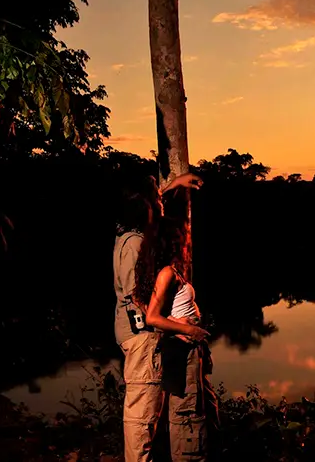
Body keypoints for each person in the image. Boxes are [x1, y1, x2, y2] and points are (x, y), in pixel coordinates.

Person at [113, 173, 205, 462]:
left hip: (144, 335)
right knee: (142, 417)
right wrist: (177, 325)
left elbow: (146, 204)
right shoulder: (135, 243)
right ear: (145, 205)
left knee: (153, 412)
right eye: (156, 197)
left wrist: (172, 186)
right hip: (141, 337)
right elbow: (136, 300)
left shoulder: (131, 234)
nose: (160, 202)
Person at [135, 211, 219, 461]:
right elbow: (151, 317)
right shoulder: (167, 273)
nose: (185, 242)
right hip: (182, 351)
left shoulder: (168, 271)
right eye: (181, 237)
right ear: (171, 241)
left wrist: (178, 322)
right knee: (188, 416)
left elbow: (143, 304)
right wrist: (188, 329)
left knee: (204, 409)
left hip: (190, 352)